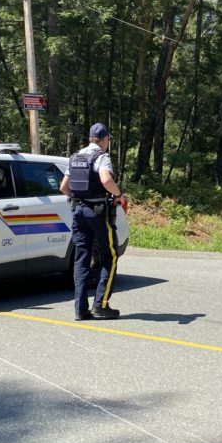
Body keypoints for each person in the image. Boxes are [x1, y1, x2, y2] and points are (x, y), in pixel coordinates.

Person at [60, 123, 128, 320]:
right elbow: (106, 180)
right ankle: (101, 305)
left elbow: (64, 187)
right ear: (104, 139)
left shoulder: (75, 157)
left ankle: (80, 310)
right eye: (108, 140)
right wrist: (119, 195)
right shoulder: (102, 157)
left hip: (78, 211)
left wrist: (81, 198)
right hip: (98, 213)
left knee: (81, 258)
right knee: (110, 256)